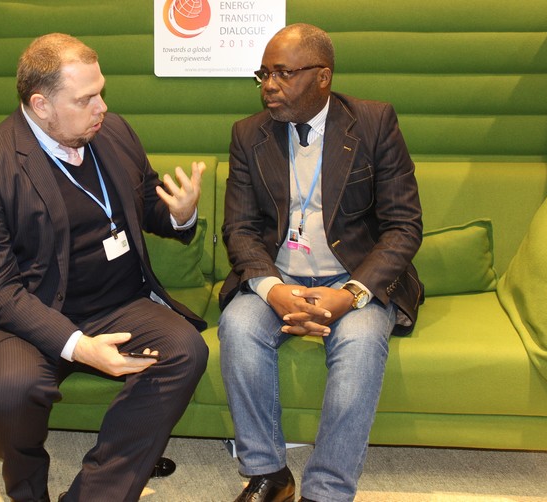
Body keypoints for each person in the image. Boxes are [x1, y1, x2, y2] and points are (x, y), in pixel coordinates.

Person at [0, 33, 209, 502]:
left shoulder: (114, 133)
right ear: (41, 105)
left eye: (101, 92)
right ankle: (26, 486)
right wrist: (79, 347)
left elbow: (145, 201)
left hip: (118, 304)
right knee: (9, 391)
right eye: (86, 98)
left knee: (185, 350)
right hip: (29, 313)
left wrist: (179, 214)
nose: (102, 107)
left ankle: (98, 492)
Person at [218, 23, 423, 502]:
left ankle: (327, 491)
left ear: (323, 76)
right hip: (279, 273)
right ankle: (269, 472)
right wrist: (273, 289)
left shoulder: (373, 123)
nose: (269, 86)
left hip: (356, 276)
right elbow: (241, 229)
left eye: (283, 73)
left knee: (359, 344)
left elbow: (403, 225)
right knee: (238, 328)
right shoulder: (248, 134)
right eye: (263, 74)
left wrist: (350, 294)